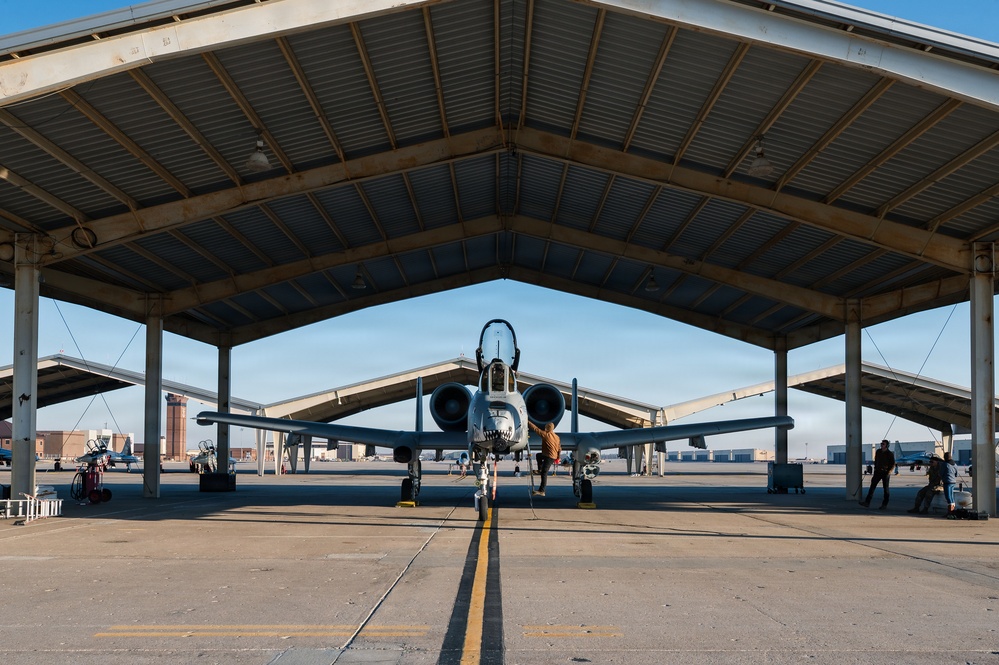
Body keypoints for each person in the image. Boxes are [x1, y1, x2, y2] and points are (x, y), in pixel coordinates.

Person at [528, 421, 560, 497]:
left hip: (549, 457)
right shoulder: (557, 437)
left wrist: (527, 421)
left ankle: (542, 491)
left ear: (547, 428)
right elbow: (559, 448)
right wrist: (558, 457)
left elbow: (535, 429)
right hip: (551, 455)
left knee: (544, 473)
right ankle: (539, 469)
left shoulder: (546, 434)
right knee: (538, 456)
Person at [860, 439, 895, 509]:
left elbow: (893, 464)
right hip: (877, 472)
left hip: (885, 472)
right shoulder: (878, 451)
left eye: (883, 444)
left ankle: (884, 505)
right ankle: (867, 502)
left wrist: (889, 472)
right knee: (872, 487)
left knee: (886, 489)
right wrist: (875, 468)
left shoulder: (890, 454)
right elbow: (876, 460)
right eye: (881, 444)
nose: (882, 445)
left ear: (887, 445)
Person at [941, 451, 959, 518]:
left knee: (948, 497)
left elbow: (941, 473)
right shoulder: (955, 464)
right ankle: (952, 511)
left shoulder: (945, 464)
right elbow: (956, 474)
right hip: (953, 482)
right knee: (951, 497)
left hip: (947, 482)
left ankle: (950, 512)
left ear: (945, 457)